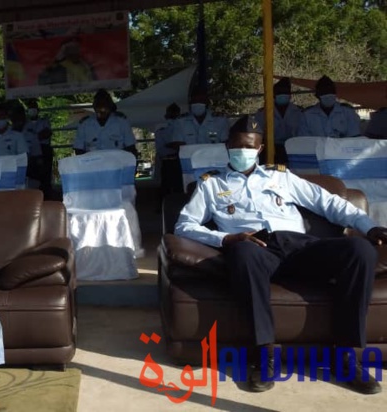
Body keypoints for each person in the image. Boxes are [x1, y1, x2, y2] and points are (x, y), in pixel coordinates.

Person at [174, 115, 386, 395]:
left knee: (359, 250)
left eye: (250, 146)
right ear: (227, 146)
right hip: (255, 249)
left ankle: (346, 356)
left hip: (300, 247)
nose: (243, 151)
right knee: (243, 252)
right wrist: (226, 238)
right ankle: (264, 356)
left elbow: (329, 203)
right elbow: (184, 225)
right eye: (237, 145)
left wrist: (369, 227)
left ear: (260, 149)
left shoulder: (281, 177)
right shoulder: (211, 184)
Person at [253, 77, 303, 164]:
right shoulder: (263, 113)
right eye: (280, 93)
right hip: (271, 148)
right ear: (274, 95)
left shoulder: (299, 112)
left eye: (285, 93)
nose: (283, 95)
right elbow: (256, 132)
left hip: (293, 148)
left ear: (290, 95)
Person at [73, 89, 136, 154]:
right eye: (98, 107)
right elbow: (78, 150)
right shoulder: (84, 124)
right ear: (94, 107)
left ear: (110, 107)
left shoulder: (121, 122)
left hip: (117, 162)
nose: (101, 110)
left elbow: (131, 147)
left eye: (104, 107)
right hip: (93, 162)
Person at [25, 100, 54, 194]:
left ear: (38, 110)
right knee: (33, 174)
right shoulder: (26, 124)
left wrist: (34, 137)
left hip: (44, 149)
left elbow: (47, 133)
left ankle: (47, 192)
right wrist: (36, 137)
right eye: (30, 108)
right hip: (30, 151)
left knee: (45, 174)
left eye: (34, 108)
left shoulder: (44, 121)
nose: (32, 110)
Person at [155, 103, 182, 196]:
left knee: (180, 187)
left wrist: (173, 145)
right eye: (171, 113)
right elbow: (160, 149)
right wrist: (174, 145)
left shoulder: (183, 126)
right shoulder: (161, 129)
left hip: (180, 161)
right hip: (167, 161)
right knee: (165, 187)